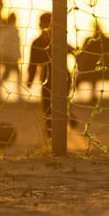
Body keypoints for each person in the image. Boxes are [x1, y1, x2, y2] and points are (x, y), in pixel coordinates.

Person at [26, 12, 77, 140]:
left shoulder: (59, 40)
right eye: (42, 23)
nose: (43, 26)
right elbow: (32, 63)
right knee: (47, 107)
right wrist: (30, 79)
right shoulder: (36, 43)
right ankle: (50, 136)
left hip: (63, 77)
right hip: (46, 79)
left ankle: (67, 119)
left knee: (61, 104)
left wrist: (79, 69)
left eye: (47, 24)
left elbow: (74, 52)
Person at [76, 21, 109, 101]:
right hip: (96, 69)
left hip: (97, 69)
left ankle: (92, 95)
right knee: (91, 68)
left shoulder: (104, 40)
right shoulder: (93, 40)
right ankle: (92, 96)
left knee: (91, 69)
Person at [0, 12, 22, 98]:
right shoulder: (9, 31)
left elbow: (16, 45)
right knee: (10, 75)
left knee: (13, 74)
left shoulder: (9, 31)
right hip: (10, 57)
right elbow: (8, 45)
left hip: (11, 57)